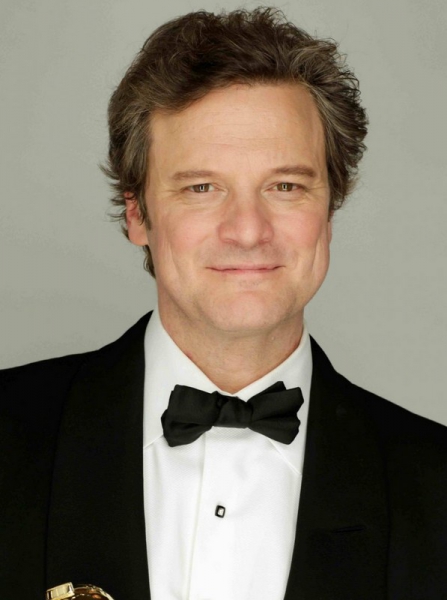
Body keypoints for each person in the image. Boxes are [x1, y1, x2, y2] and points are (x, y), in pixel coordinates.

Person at [1, 7, 446, 600]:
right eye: (202, 187)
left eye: (285, 186)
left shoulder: (435, 482)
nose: (247, 230)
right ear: (138, 214)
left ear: (329, 210)